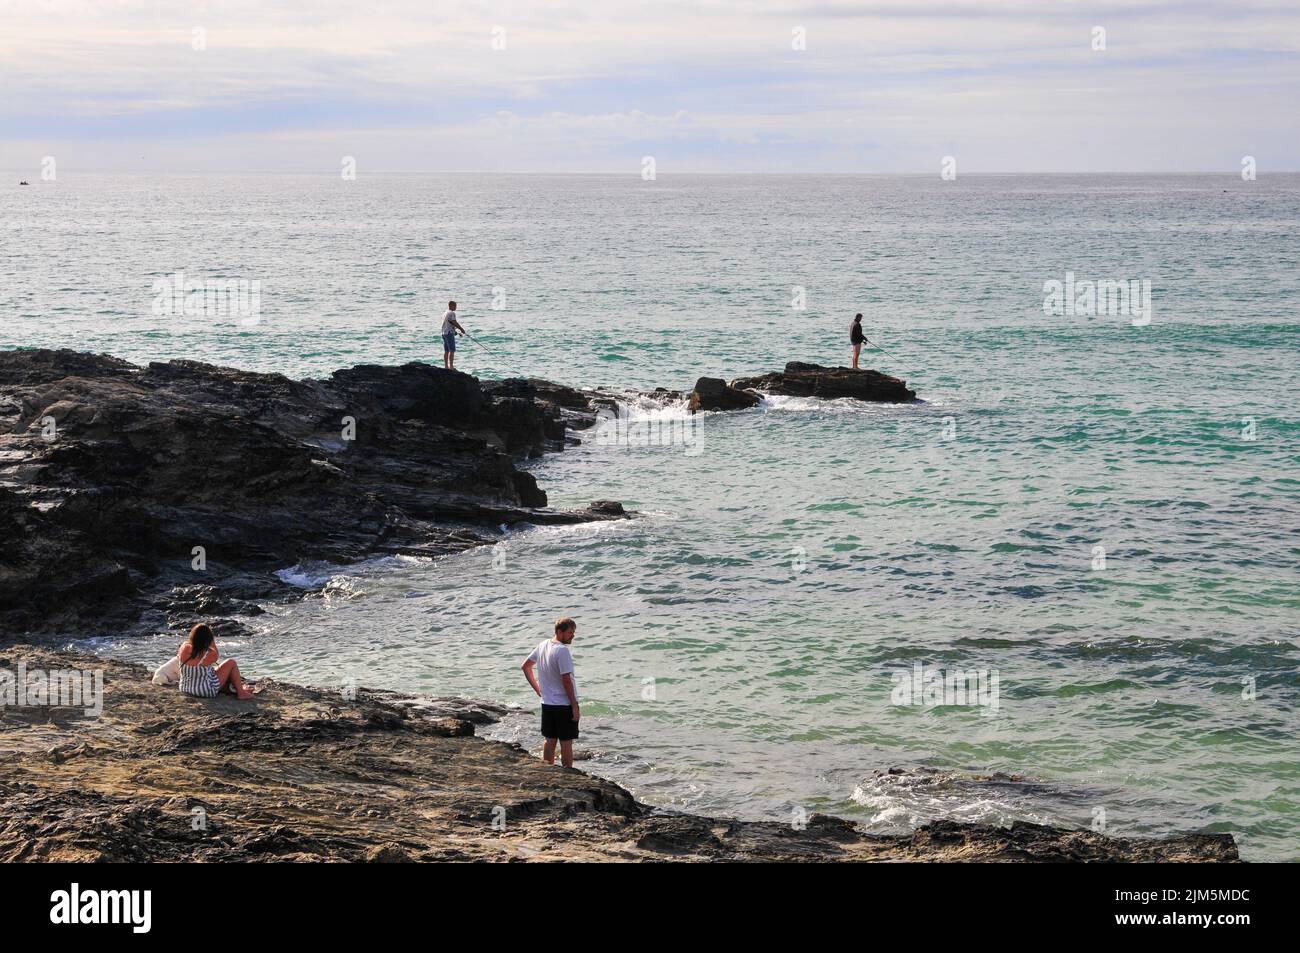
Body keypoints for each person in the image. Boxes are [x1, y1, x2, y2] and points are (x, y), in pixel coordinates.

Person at [521, 617, 580, 767]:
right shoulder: (562, 650)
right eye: (570, 632)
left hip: (547, 703)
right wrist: (574, 706)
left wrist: (538, 690)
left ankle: (547, 771)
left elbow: (526, 667)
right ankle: (568, 775)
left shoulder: (543, 645)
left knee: (549, 740)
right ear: (559, 632)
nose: (573, 635)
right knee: (566, 742)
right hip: (563, 704)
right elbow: (566, 680)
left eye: (574, 632)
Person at [177, 622, 254, 700]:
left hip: (185, 687)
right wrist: (211, 639)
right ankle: (241, 693)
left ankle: (232, 688)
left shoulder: (183, 647)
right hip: (204, 691)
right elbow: (216, 654)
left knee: (212, 671)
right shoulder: (208, 654)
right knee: (231, 662)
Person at [441, 300, 466, 370]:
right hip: (449, 333)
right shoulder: (451, 313)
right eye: (455, 306)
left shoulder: (445, 313)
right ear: (451, 305)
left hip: (444, 333)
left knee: (446, 351)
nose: (456, 307)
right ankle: (451, 366)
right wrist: (461, 329)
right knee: (452, 350)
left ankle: (446, 366)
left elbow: (448, 323)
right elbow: (454, 322)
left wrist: (455, 331)